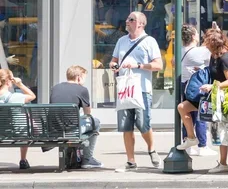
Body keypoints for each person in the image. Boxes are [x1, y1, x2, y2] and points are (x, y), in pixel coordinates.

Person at [177, 28, 228, 174]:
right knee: (182, 107)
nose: (205, 44)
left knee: (219, 130)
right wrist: (201, 69)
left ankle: (223, 163)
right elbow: (213, 72)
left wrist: (212, 86)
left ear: (214, 44)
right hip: (209, 95)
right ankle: (191, 138)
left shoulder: (225, 58)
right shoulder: (214, 56)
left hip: (219, 97)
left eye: (207, 42)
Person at [109, 10, 163, 171]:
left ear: (140, 23)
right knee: (126, 126)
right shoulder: (121, 41)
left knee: (143, 123)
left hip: (142, 89)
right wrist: (113, 65)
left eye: (131, 19)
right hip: (125, 88)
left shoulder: (149, 41)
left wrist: (138, 65)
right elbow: (113, 60)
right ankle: (131, 160)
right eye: (127, 18)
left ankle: (151, 148)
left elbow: (159, 65)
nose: (127, 21)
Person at [49, 65, 102, 169]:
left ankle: (70, 157)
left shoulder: (55, 87)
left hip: (54, 129)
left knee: (70, 122)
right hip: (72, 130)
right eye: (84, 78)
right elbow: (88, 114)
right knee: (96, 122)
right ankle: (87, 159)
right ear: (79, 77)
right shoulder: (82, 90)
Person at [179, 25, 215, 157]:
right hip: (197, 86)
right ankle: (202, 145)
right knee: (201, 114)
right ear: (194, 36)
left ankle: (187, 142)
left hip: (184, 84)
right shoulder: (200, 51)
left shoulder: (180, 50)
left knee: (187, 115)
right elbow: (214, 49)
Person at [0, 68, 35, 169]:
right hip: (17, 133)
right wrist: (20, 84)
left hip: (1, 132)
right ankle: (23, 160)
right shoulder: (15, 97)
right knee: (24, 128)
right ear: (8, 82)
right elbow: (32, 96)